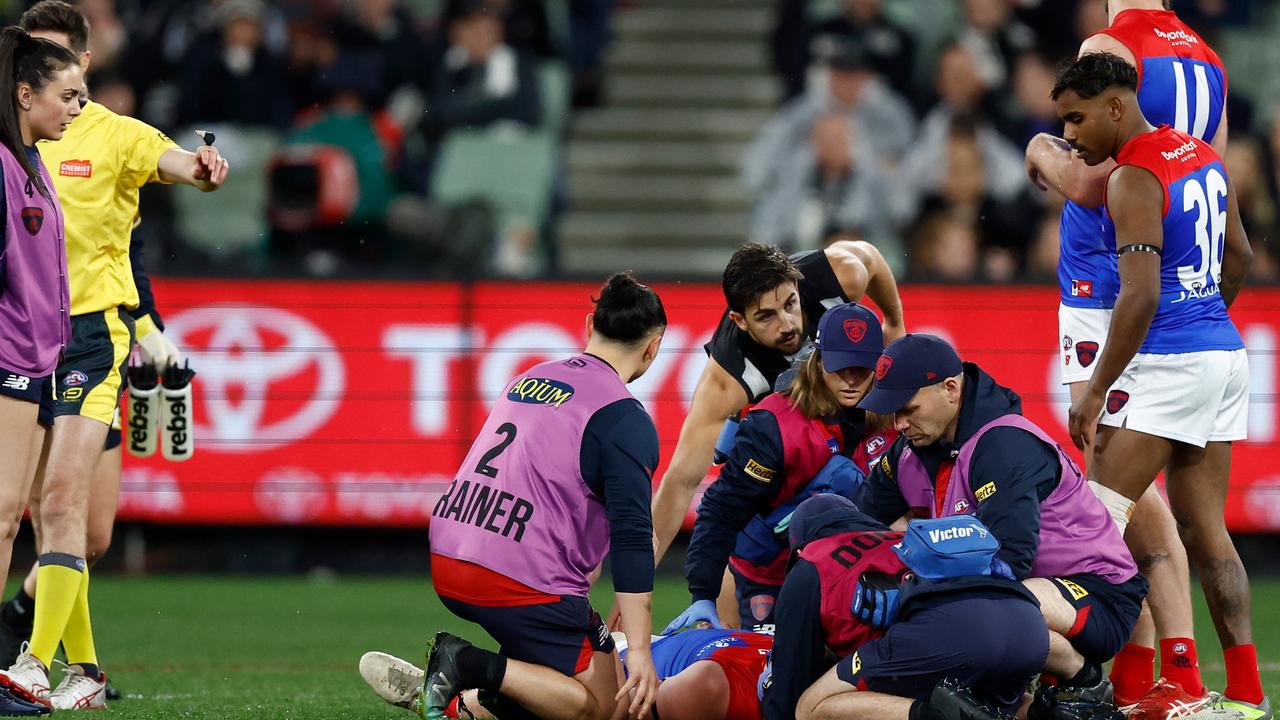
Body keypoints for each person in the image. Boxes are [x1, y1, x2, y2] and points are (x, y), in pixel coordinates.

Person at [0, 2, 229, 710]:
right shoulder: (14, 146)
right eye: (29, 63)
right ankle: (42, 660)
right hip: (21, 337)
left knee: (86, 529)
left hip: (90, 335)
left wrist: (199, 166)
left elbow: (171, 169)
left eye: (58, 64)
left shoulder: (109, 134)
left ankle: (43, 648)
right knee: (21, 512)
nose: (41, 78)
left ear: (83, 64)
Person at [1023, 2, 1228, 708]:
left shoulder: (1112, 42)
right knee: (1141, 498)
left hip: (1103, 279)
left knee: (1110, 496)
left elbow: (1089, 181)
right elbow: (1214, 175)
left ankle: (1149, 672)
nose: (1073, 129)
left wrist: (1039, 150)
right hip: (1176, 285)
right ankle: (1166, 669)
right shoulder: (1206, 55)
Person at [1056, 52, 1268, 719]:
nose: (1072, 136)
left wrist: (1095, 390)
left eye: (1078, 118)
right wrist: (1207, 320)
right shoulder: (1203, 155)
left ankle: (1090, 685)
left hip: (1174, 363)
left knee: (1094, 524)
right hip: (1224, 356)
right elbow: (1241, 258)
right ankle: (1245, 694)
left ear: (1116, 106)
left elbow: (1140, 297)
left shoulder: (1133, 177)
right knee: (1206, 530)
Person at [420, 273, 665, 720]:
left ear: (590, 324)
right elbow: (632, 540)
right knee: (606, 708)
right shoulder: (625, 419)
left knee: (563, 672)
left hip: (448, 555)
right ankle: (468, 665)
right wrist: (642, 652)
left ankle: (482, 701)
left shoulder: (529, 377)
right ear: (653, 347)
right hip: (514, 580)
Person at [853, 334, 1144, 701]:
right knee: (956, 615)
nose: (898, 424)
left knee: (976, 616)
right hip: (1016, 591)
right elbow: (862, 521)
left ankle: (1080, 675)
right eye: (892, 412)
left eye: (909, 408)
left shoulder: (1004, 445)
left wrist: (915, 592)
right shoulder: (909, 451)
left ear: (950, 389)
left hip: (1097, 593)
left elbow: (1010, 559)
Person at [649, 241, 904, 583]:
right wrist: (636, 582)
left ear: (798, 288)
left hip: (844, 418)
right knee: (751, 536)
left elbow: (869, 256)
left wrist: (894, 320)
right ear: (739, 321)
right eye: (766, 316)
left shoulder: (839, 276)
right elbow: (680, 482)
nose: (786, 325)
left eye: (790, 304)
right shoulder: (730, 377)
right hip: (793, 429)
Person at [667, 302, 896, 633]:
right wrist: (703, 593)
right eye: (839, 366)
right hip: (771, 574)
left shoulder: (897, 417)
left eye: (861, 367)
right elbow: (722, 507)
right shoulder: (774, 427)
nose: (850, 379)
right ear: (818, 361)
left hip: (854, 564)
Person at [766, 495, 1051, 720]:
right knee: (983, 701)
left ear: (801, 547)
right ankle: (1058, 705)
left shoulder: (812, 564)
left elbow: (789, 688)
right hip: (1027, 623)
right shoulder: (903, 537)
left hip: (947, 637)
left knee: (811, 706)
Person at [0, 23, 85, 718]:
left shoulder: (29, 162)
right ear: (25, 94)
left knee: (11, 519)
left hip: (32, 362)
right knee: (1, 515)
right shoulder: (2, 164)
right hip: (6, 362)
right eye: (67, 95)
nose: (75, 109)